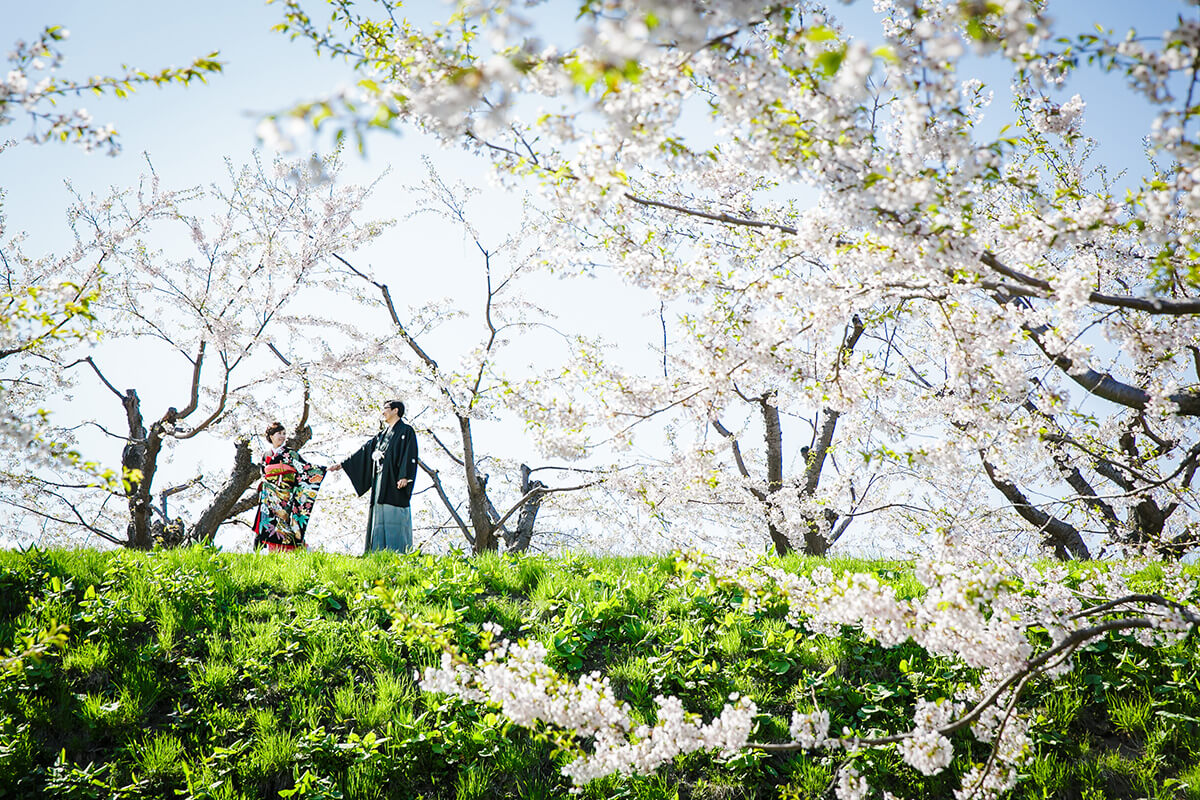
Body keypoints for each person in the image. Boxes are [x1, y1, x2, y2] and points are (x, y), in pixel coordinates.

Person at [329, 400, 418, 553]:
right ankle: (378, 551)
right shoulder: (382, 435)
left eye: (385, 409)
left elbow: (410, 453)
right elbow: (364, 451)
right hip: (380, 479)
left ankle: (397, 551)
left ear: (395, 410)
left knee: (394, 510)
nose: (383, 412)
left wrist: (405, 476)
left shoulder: (406, 431)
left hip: (395, 479)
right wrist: (343, 464)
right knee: (379, 511)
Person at [252, 421, 329, 552]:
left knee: (284, 521)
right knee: (268, 522)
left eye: (284, 434)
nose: (282, 436)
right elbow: (263, 473)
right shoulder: (265, 455)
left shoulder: (291, 454)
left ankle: (291, 548)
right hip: (269, 495)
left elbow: (305, 468)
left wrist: (325, 469)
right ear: (271, 436)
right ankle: (271, 550)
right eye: (279, 433)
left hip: (284, 495)